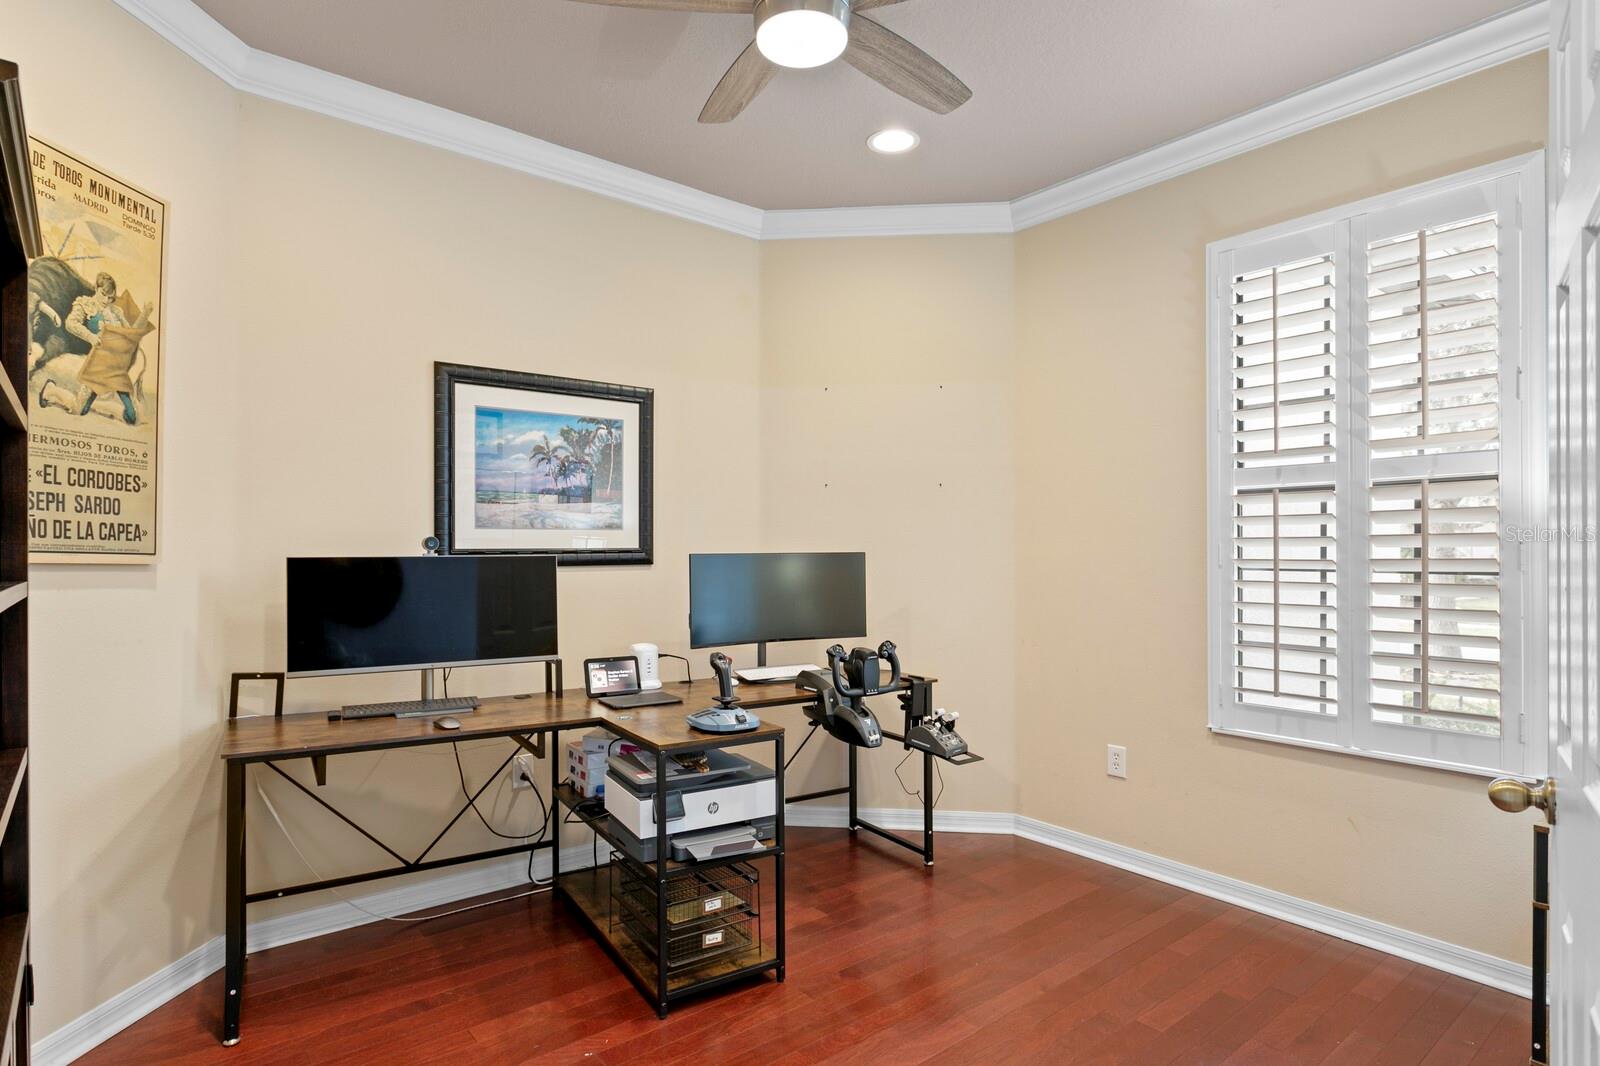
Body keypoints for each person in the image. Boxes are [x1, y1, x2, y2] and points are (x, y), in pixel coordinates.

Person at [38, 272, 152, 426]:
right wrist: (91, 337)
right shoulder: (85, 304)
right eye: (103, 294)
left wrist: (145, 313)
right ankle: (51, 389)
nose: (106, 300)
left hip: (117, 368)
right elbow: (70, 323)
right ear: (96, 288)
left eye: (110, 297)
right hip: (98, 365)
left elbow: (130, 335)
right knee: (79, 409)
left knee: (133, 418)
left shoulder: (116, 311)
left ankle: (106, 406)